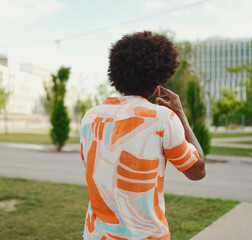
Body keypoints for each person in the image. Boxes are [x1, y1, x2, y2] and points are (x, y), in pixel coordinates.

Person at [80, 31, 206, 240]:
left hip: (97, 235)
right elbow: (197, 170)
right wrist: (180, 114)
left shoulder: (90, 118)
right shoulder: (162, 118)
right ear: (158, 78)